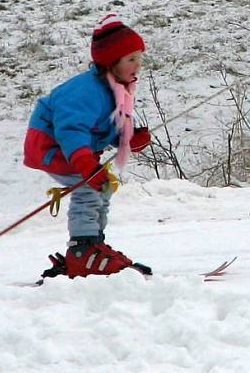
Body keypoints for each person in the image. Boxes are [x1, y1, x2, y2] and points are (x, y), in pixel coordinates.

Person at [23, 14, 153, 278]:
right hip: (53, 145)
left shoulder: (115, 88)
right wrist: (85, 165)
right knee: (88, 189)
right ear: (111, 61)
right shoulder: (86, 91)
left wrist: (128, 139)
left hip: (76, 148)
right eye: (131, 59)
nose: (137, 66)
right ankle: (82, 250)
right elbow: (71, 130)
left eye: (140, 58)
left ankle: (94, 243)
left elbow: (107, 126)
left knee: (103, 186)